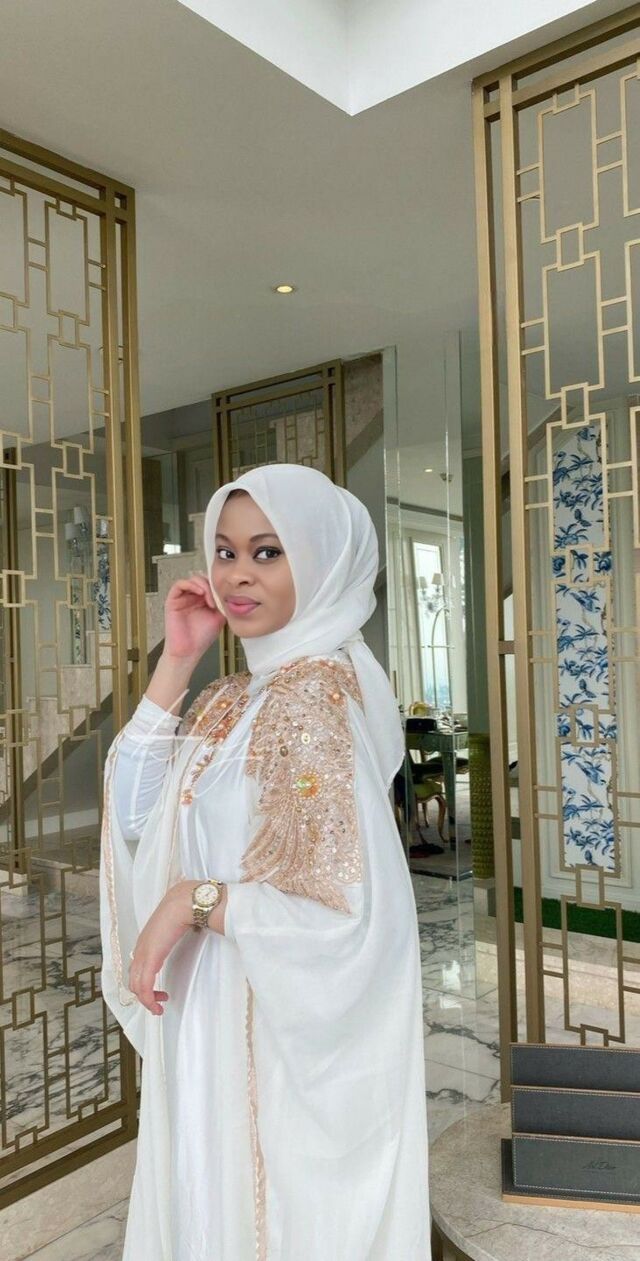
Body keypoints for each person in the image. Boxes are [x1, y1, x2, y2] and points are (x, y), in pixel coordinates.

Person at [99, 462, 431, 1260]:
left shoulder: (316, 700)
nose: (237, 573)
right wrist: (178, 661)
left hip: (270, 1033)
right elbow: (136, 812)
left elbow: (344, 917)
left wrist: (195, 900)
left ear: (319, 562)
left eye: (268, 552)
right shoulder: (235, 697)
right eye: (225, 551)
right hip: (210, 1016)